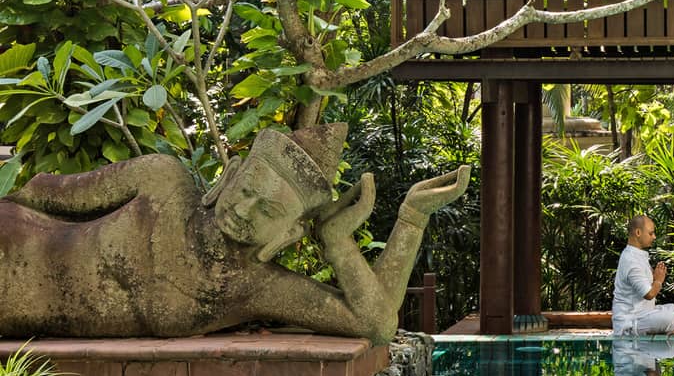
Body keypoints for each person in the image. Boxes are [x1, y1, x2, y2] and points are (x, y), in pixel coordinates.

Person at [0, 124, 469, 343]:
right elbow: (38, 192)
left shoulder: (251, 287)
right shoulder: (162, 180)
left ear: (287, 234)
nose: (243, 210)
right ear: (229, 176)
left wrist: (404, 221)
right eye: (245, 190)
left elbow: (375, 324)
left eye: (266, 209)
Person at [612, 214, 674, 335]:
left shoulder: (636, 255)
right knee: (669, 317)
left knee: (673, 309)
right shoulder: (631, 260)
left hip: (643, 315)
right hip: (629, 322)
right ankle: (632, 332)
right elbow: (649, 294)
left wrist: (654, 278)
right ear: (638, 232)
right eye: (651, 233)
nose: (654, 237)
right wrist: (658, 281)